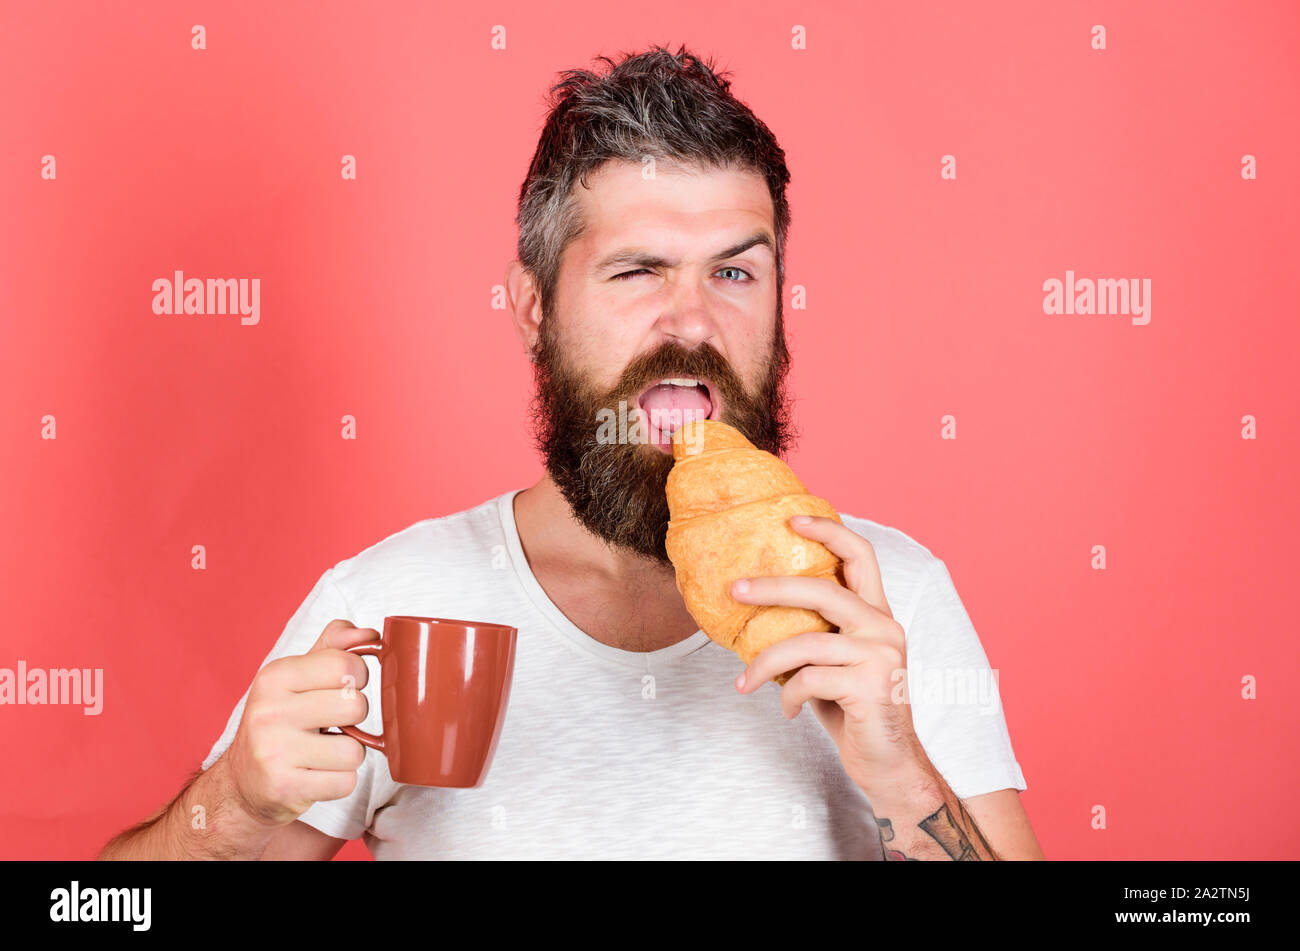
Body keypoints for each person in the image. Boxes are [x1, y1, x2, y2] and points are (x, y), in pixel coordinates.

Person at [100, 44, 1042, 860]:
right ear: (533, 308)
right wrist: (234, 802)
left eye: (734, 271)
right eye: (637, 271)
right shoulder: (390, 610)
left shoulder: (884, 601)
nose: (693, 318)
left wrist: (899, 765)